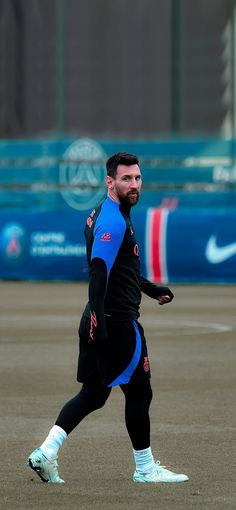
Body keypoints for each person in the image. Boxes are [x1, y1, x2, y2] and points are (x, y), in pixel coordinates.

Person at [27, 152, 189, 484]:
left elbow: (117, 269)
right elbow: (99, 269)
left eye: (137, 178)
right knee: (140, 393)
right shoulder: (114, 221)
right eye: (126, 179)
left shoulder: (106, 213)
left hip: (100, 317)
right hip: (115, 323)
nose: (133, 184)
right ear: (110, 181)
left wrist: (148, 288)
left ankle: (45, 453)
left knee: (94, 394)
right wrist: (100, 320)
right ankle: (145, 469)